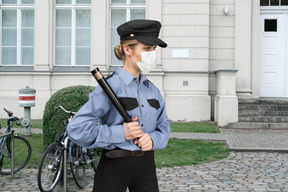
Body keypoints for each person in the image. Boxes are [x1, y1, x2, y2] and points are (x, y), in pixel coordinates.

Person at [67, 19, 171, 192]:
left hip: (146, 166)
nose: (152, 54)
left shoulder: (152, 90)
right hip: (115, 164)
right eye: (146, 48)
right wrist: (121, 132)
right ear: (127, 49)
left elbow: (164, 127)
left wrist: (152, 139)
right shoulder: (110, 88)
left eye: (153, 49)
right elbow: (77, 129)